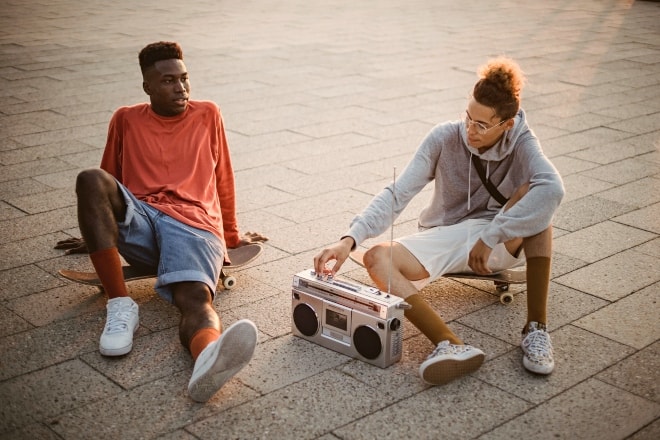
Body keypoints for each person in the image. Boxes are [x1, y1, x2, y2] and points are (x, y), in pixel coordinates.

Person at [313, 56, 564, 386]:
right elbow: (398, 192)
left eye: (481, 125)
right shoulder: (445, 137)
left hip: (494, 241)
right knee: (377, 257)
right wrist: (349, 239)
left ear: (507, 125)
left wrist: (492, 234)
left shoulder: (523, 142)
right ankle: (450, 344)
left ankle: (536, 329)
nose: (469, 130)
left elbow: (554, 189)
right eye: (467, 118)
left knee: (538, 201)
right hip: (447, 235)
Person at [55, 41, 266, 403]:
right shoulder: (126, 118)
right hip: (142, 221)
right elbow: (109, 178)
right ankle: (121, 305)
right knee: (89, 178)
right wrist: (95, 229)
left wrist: (230, 235)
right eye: (168, 81)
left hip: (194, 224)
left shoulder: (208, 114)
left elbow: (223, 176)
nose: (181, 88)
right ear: (147, 87)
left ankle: (207, 359)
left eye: (184, 79)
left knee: (194, 300)